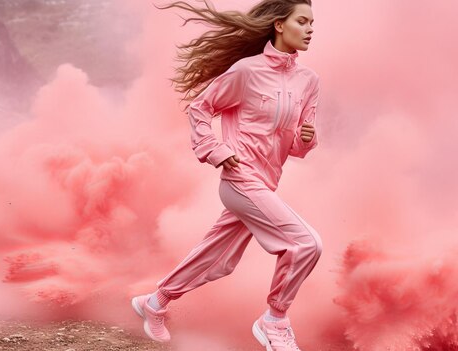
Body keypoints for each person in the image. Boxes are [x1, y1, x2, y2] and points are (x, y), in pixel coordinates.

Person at [131, 1, 321, 350]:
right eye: (302, 21)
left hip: (266, 183)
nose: (310, 29)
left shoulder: (308, 81)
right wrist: (215, 150)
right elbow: (200, 108)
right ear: (280, 25)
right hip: (239, 180)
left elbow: (294, 146)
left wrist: (307, 140)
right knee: (306, 243)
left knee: (219, 258)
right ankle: (274, 320)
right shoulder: (246, 71)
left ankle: (154, 303)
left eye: (312, 23)